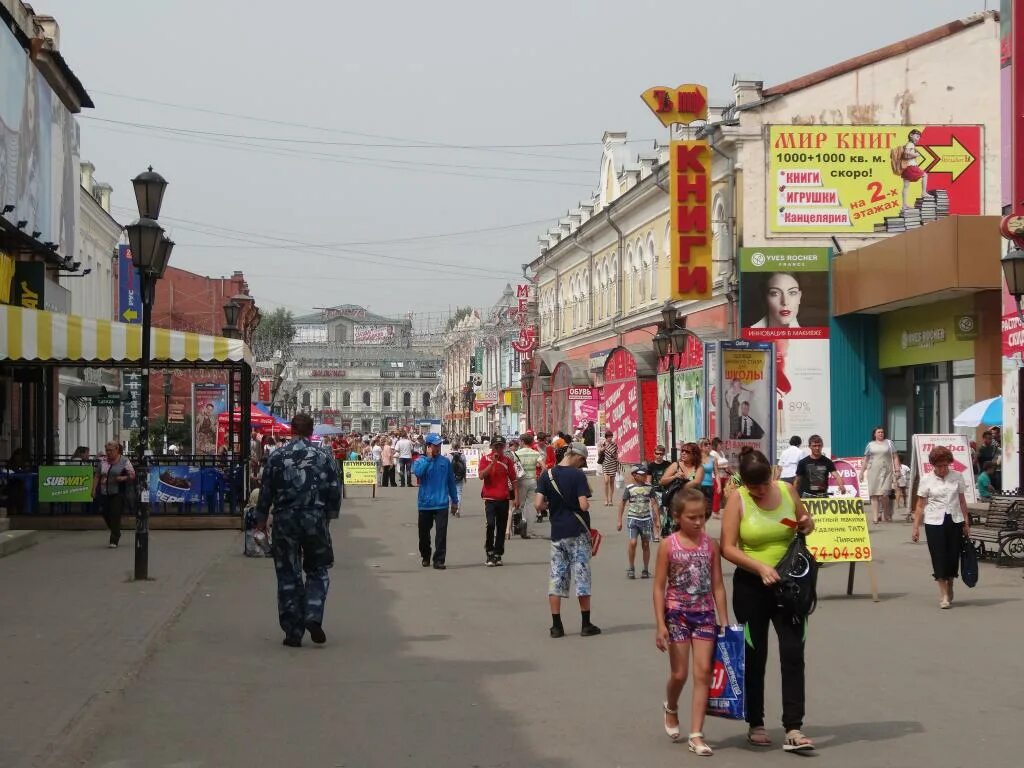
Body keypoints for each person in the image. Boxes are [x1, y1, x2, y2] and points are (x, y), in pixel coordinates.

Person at [720, 447, 816, 752]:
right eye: (753, 487)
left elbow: (804, 521)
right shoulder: (738, 499)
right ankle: (756, 722)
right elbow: (727, 547)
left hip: (790, 585)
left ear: (772, 476)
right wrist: (759, 566)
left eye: (763, 485)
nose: (760, 492)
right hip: (751, 585)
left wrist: (806, 524)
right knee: (754, 653)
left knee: (792, 652)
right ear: (744, 484)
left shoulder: (787, 491)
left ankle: (794, 726)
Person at [653, 488, 729, 756]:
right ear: (677, 516)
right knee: (679, 673)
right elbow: (659, 586)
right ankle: (671, 707)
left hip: (705, 615)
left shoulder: (711, 545)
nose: (698, 522)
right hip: (677, 615)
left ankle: (696, 734)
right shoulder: (668, 545)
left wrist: (725, 621)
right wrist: (660, 624)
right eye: (692, 517)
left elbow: (718, 586)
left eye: (702, 517)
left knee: (703, 674)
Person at [255, 413, 341, 648]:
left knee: (288, 574)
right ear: (312, 430)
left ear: (292, 430)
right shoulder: (324, 457)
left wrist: (261, 519)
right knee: (318, 568)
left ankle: (293, 631)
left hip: (285, 521)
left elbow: (265, 490)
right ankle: (313, 614)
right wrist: (329, 516)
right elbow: (335, 488)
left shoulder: (277, 456)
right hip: (315, 519)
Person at [535, 443, 601, 638]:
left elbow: (538, 504)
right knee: (582, 577)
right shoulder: (578, 475)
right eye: (582, 461)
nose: (581, 466)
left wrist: (552, 505)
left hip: (558, 533)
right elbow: (583, 504)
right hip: (578, 533)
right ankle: (586, 624)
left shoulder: (546, 475)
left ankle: (556, 626)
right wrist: (585, 502)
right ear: (577, 457)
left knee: (556, 577)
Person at [912, 445, 970, 609]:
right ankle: (943, 594)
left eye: (946, 465)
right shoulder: (926, 479)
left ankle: (950, 582)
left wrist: (966, 522)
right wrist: (916, 527)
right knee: (938, 557)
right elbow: (920, 506)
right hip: (934, 522)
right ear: (933, 465)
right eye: (940, 466)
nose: (943, 469)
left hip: (954, 520)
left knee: (952, 556)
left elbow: (962, 501)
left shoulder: (957, 476)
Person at [413, 433, 459, 570]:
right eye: (435, 445)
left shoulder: (445, 462)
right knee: (423, 534)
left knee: (441, 533)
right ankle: (425, 555)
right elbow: (418, 474)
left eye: (439, 445)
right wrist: (428, 459)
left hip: (441, 503)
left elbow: (451, 483)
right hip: (425, 504)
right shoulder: (420, 461)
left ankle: (439, 559)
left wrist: (455, 501)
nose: (438, 447)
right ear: (428, 446)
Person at [479, 436, 519, 566]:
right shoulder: (485, 459)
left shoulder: (507, 461)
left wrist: (516, 497)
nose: (499, 449)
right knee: (490, 524)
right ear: (492, 447)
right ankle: (489, 551)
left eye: (501, 446)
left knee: (501, 527)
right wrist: (492, 463)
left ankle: (498, 553)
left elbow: (514, 480)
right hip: (490, 498)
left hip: (503, 498)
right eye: (496, 446)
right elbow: (481, 476)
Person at [617, 465, 658, 579]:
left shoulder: (649, 488)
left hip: (646, 520)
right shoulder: (629, 488)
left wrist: (657, 521)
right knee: (633, 543)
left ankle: (645, 569)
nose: (645, 476)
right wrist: (619, 520)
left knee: (645, 544)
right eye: (642, 474)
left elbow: (654, 504)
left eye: (645, 474)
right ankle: (631, 567)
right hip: (633, 519)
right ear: (635, 475)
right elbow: (622, 504)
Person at [95, 441, 135, 548]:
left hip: (118, 492)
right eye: (107, 450)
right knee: (105, 513)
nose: (108, 453)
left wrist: (123, 478)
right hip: (104, 492)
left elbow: (132, 475)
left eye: (110, 450)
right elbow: (97, 475)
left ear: (117, 449)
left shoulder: (124, 461)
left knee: (115, 514)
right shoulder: (103, 461)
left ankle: (114, 539)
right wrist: (93, 489)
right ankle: (115, 530)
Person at [860, 426, 899, 523]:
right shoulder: (870, 445)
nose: (881, 434)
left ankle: (886, 514)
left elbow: (895, 457)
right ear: (874, 434)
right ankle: (875, 517)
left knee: (884, 494)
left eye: (882, 432)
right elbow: (866, 459)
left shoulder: (889, 443)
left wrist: (897, 469)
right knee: (874, 494)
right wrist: (861, 472)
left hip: (886, 471)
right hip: (873, 471)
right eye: (879, 432)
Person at [894, 128, 929, 213]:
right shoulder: (910, 144)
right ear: (911, 135)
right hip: (910, 166)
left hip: (905, 167)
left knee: (906, 186)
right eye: (916, 136)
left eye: (919, 137)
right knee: (924, 175)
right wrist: (916, 154)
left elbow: (905, 154)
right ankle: (924, 193)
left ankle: (904, 205)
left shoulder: (908, 144)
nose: (917, 139)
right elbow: (906, 153)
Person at [647, 445, 672, 541]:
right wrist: (650, 491)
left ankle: (664, 532)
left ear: (664, 454)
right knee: (654, 513)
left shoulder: (668, 465)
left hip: (666, 492)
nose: (659, 456)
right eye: (657, 453)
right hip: (655, 492)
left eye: (661, 454)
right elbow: (649, 480)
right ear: (654, 454)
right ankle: (656, 533)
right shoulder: (651, 466)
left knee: (665, 513)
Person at [515, 434, 542, 522]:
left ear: (522, 442)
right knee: (530, 503)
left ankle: (523, 521)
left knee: (521, 503)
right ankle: (528, 524)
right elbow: (544, 467)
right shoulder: (535, 453)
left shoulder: (517, 453)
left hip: (521, 480)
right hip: (533, 480)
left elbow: (513, 467)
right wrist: (539, 476)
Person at [599, 430, 620, 506]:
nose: (610, 438)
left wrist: (616, 459)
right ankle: (606, 499)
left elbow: (616, 454)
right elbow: (599, 453)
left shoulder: (614, 444)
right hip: (605, 464)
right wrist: (602, 449)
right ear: (606, 437)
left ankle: (610, 500)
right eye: (608, 437)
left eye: (611, 437)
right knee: (606, 481)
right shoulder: (603, 444)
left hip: (613, 464)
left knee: (611, 482)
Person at [449, 440, 467, 516]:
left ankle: (452, 507)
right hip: (460, 477)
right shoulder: (462, 455)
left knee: (450, 493)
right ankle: (458, 510)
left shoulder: (449, 455)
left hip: (451, 477)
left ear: (452, 446)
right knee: (459, 493)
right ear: (459, 446)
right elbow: (464, 466)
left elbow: (447, 467)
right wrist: (465, 476)